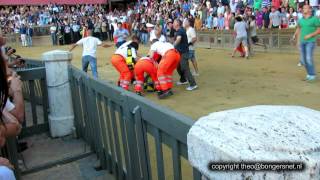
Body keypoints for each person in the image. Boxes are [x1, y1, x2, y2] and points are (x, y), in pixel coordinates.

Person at [293, 5, 320, 81]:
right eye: (303, 8)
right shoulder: (300, 20)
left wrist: (310, 35)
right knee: (304, 60)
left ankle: (312, 74)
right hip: (302, 42)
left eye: (306, 8)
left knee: (308, 58)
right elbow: (298, 30)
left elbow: (319, 30)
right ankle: (309, 74)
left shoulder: (315, 19)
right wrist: (297, 42)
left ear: (310, 10)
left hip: (311, 42)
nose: (304, 9)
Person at [174, 19, 198, 91]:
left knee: (185, 68)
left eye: (174, 22)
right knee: (178, 66)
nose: (173, 23)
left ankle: (193, 84)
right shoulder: (181, 30)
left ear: (177, 24)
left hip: (184, 53)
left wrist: (173, 46)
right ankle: (183, 79)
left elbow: (178, 39)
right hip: (181, 52)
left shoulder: (180, 31)